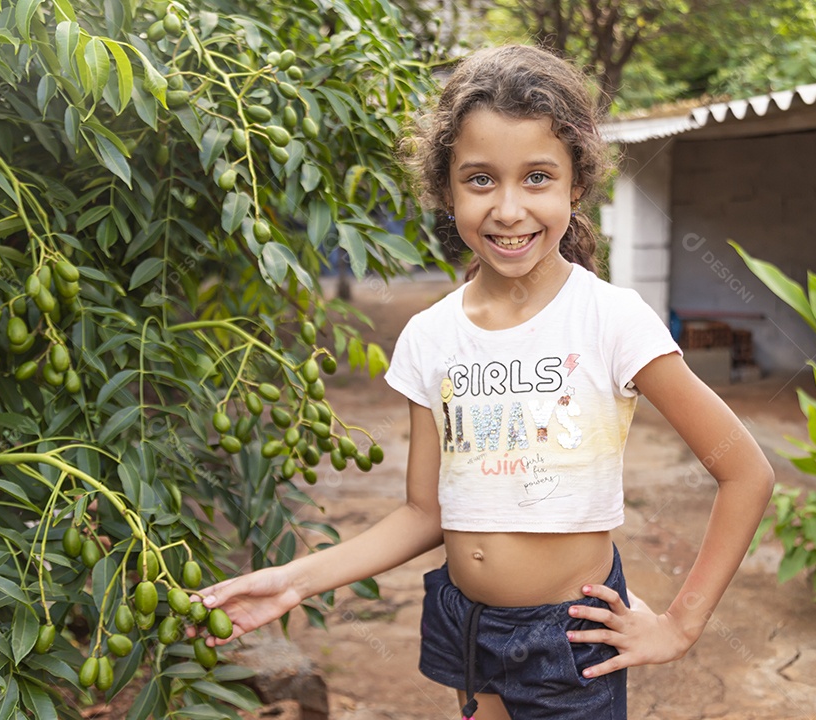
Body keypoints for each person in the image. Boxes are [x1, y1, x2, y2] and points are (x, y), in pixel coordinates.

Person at [192, 44, 775, 719]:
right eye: (479, 179)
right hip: (465, 628)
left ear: (575, 184)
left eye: (536, 177)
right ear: (445, 187)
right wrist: (293, 582)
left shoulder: (611, 320)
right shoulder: (431, 337)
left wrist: (680, 623)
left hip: (570, 638)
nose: (507, 208)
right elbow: (425, 513)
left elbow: (744, 473)